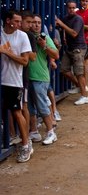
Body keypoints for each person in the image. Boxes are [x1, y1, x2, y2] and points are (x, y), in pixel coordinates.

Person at [0, 10, 33, 162]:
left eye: (21, 21)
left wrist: (6, 53)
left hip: (13, 81)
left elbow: (25, 61)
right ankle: (11, 137)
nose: (20, 24)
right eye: (17, 21)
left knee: (16, 112)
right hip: (2, 80)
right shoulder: (1, 33)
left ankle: (26, 145)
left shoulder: (22, 36)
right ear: (8, 21)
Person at [28, 15, 59, 145]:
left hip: (40, 77)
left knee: (41, 106)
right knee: (30, 108)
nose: (36, 25)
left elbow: (56, 55)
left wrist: (44, 45)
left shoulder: (44, 37)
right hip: (27, 77)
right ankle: (34, 132)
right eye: (34, 22)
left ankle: (51, 132)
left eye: (39, 23)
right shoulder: (27, 36)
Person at [56, 0, 88, 105]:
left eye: (73, 8)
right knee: (64, 69)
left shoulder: (78, 19)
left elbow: (74, 33)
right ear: (67, 8)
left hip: (79, 49)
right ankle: (79, 87)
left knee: (79, 73)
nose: (71, 10)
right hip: (70, 48)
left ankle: (85, 96)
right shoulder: (66, 18)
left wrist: (61, 24)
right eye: (69, 8)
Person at [76, 0, 88, 89]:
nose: (84, 3)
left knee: (85, 62)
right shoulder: (76, 13)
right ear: (80, 2)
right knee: (78, 63)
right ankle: (80, 84)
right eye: (83, 1)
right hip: (77, 40)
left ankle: (84, 84)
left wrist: (77, 25)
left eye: (86, 1)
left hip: (86, 41)